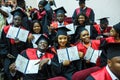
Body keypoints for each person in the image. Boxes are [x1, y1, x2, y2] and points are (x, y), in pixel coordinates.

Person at [0, 8, 32, 80]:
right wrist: (6, 53)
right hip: (8, 56)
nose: (17, 21)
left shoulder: (24, 32)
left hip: (20, 56)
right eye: (15, 19)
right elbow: (2, 43)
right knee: (7, 72)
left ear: (21, 20)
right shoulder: (6, 29)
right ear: (13, 19)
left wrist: (19, 44)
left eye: (19, 19)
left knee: (20, 74)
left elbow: (27, 47)